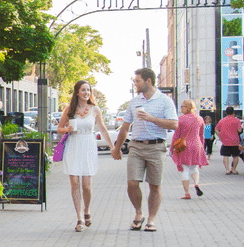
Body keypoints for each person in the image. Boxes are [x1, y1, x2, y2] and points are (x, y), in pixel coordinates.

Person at [110, 68, 178, 233]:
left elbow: (174, 124)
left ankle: (151, 219)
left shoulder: (165, 101)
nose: (135, 83)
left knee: (155, 185)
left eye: (138, 81)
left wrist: (152, 119)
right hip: (136, 146)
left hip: (156, 147)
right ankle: (139, 213)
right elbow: (125, 127)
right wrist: (117, 148)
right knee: (132, 182)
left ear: (148, 81)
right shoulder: (134, 102)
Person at [57, 80, 114, 232]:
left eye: (88, 90)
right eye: (83, 90)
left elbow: (102, 129)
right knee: (75, 183)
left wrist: (113, 147)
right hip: (74, 146)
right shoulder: (69, 109)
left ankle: (87, 210)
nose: (86, 93)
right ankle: (80, 217)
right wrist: (67, 129)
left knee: (86, 186)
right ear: (77, 92)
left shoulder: (95, 109)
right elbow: (59, 128)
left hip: (88, 146)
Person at [172, 100, 209, 199]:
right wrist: (203, 148)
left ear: (187, 107)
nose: (181, 108)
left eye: (182, 106)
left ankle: (187, 193)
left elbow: (176, 135)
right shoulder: (200, 119)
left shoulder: (181, 119)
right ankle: (196, 183)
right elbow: (202, 135)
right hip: (197, 145)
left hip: (184, 146)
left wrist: (172, 147)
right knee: (194, 168)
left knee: (185, 169)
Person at [215, 106, 244, 174]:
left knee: (225, 155)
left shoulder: (222, 120)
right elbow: (239, 130)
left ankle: (227, 170)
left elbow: (216, 129)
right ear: (233, 112)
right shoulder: (237, 120)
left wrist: (220, 135)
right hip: (235, 141)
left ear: (226, 112)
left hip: (225, 141)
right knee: (236, 156)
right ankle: (233, 169)